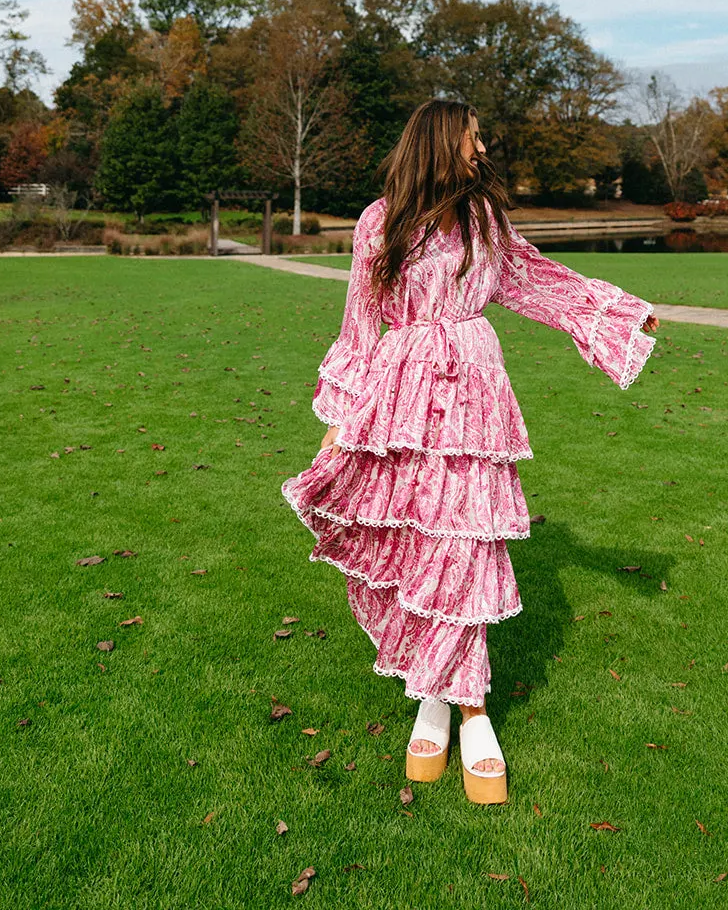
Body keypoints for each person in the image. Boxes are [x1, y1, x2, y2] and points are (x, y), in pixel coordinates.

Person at [281, 100, 658, 805]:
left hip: (475, 397)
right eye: (472, 136)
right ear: (438, 142)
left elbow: (535, 280)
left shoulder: (484, 220)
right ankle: (434, 698)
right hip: (400, 402)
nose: (482, 147)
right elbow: (360, 329)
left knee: (466, 546)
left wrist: (613, 311)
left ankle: (469, 712)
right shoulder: (378, 221)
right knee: (419, 549)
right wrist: (337, 419)